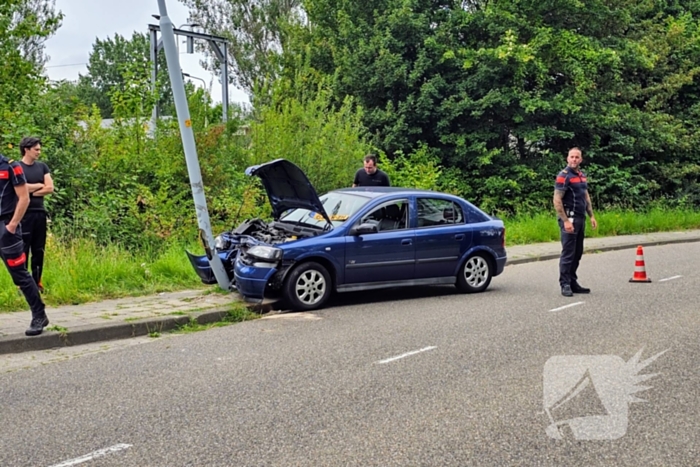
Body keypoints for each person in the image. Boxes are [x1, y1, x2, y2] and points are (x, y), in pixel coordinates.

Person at [0, 151, 49, 336]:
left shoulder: (11, 166)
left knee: (19, 273)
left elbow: (24, 197)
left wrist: (12, 225)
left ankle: (39, 315)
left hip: (6, 227)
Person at [553, 147, 597, 297]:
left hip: (580, 218)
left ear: (581, 159)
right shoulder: (563, 176)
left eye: (577, 157)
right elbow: (557, 200)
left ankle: (573, 281)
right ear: (567, 158)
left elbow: (585, 196)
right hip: (569, 219)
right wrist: (565, 221)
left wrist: (591, 215)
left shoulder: (581, 176)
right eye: (571, 157)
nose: (574, 159)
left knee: (577, 253)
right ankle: (564, 284)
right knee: (568, 253)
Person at [19, 137, 53, 293]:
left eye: (39, 149)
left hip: (39, 213)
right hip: (23, 214)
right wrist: (38, 186)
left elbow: (49, 188)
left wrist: (29, 192)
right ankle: (23, 285)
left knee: (39, 250)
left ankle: (37, 282)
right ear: (27, 149)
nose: (39, 152)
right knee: (23, 249)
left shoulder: (42, 167)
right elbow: (19, 188)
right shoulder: (17, 167)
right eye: (36, 149)